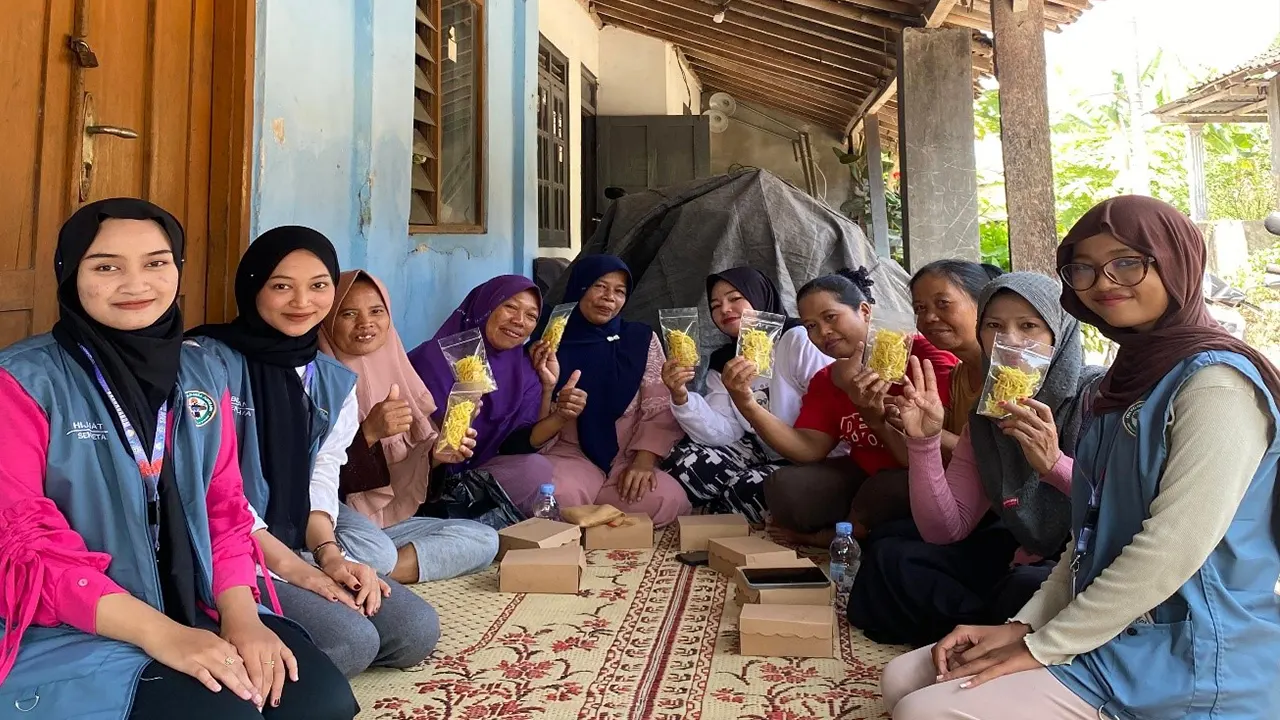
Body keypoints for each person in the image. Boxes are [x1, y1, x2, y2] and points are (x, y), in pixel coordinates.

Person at [882, 196, 1280, 719]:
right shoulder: (1125, 385)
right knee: (902, 679)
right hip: (1106, 621)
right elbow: (1087, 533)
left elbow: (1170, 549)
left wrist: (1040, 646)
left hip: (1184, 645)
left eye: (1127, 262)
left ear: (1177, 260)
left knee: (925, 711)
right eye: (1084, 268)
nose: (1103, 282)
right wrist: (1023, 626)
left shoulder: (1215, 385)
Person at [0, 199, 356, 719]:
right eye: (106, 267)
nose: (136, 283)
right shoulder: (23, 382)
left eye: (156, 262)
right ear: (71, 274)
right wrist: (163, 635)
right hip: (70, 622)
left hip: (192, 602)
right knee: (225, 713)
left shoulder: (200, 372)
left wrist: (241, 619)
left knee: (320, 701)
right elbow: (26, 548)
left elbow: (224, 509)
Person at [190, 228, 439, 679]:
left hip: (295, 538)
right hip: (225, 547)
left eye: (319, 285)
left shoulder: (330, 377)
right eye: (282, 286)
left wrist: (328, 555)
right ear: (253, 287)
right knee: (351, 641)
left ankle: (297, 630)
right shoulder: (207, 363)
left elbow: (323, 472)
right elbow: (208, 486)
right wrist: (293, 569)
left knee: (414, 631)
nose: (302, 301)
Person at [849, 272, 1100, 647]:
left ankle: (986, 629)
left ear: (1059, 335)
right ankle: (988, 630)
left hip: (1089, 557)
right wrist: (924, 441)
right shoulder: (986, 417)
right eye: (995, 326)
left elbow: (1124, 509)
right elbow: (945, 530)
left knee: (1027, 588)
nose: (1010, 341)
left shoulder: (1098, 398)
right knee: (892, 557)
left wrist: (1055, 465)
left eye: (1029, 326)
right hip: (1022, 551)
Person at [318, 271, 499, 585]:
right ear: (328, 319)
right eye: (348, 314)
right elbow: (311, 480)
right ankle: (362, 568)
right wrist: (368, 434)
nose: (366, 323)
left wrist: (436, 456)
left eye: (377, 311)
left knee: (484, 538)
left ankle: (374, 576)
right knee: (377, 551)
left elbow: (412, 484)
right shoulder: (316, 374)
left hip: (387, 524)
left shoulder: (399, 369)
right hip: (331, 522)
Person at [754, 269, 958, 547]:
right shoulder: (827, 379)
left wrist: (878, 417)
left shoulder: (924, 357)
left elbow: (933, 456)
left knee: (887, 489)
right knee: (786, 488)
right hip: (863, 474)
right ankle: (860, 527)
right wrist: (747, 403)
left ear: (864, 311)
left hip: (922, 475)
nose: (823, 332)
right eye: (811, 326)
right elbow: (809, 448)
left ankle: (843, 536)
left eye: (830, 317)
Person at [660, 267, 836, 525]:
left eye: (735, 298)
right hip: (760, 448)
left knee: (745, 492)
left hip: (816, 454)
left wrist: (747, 400)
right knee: (684, 464)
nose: (724, 309)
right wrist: (681, 396)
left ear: (760, 296)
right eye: (715, 305)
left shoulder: (798, 339)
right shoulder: (724, 361)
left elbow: (833, 409)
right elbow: (724, 430)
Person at [408, 275, 580, 516]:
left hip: (475, 478)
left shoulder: (524, 368)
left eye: (531, 316)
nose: (519, 321)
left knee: (535, 468)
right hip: (422, 476)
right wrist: (449, 423)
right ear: (484, 306)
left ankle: (461, 518)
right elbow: (404, 442)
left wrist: (550, 392)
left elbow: (520, 444)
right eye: (510, 306)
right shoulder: (430, 359)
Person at [540, 256, 692, 526]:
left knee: (669, 500)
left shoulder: (640, 339)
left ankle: (592, 514)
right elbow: (530, 409)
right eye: (599, 286)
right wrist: (556, 406)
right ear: (580, 287)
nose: (609, 297)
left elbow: (658, 407)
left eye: (619, 291)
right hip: (569, 453)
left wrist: (644, 461)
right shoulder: (552, 339)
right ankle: (595, 512)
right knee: (555, 496)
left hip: (626, 457)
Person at [910, 261, 1005, 446]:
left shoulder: (1014, 378)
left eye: (943, 303)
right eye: (920, 308)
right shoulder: (958, 377)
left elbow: (998, 458)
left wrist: (933, 434)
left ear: (984, 304)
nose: (929, 317)